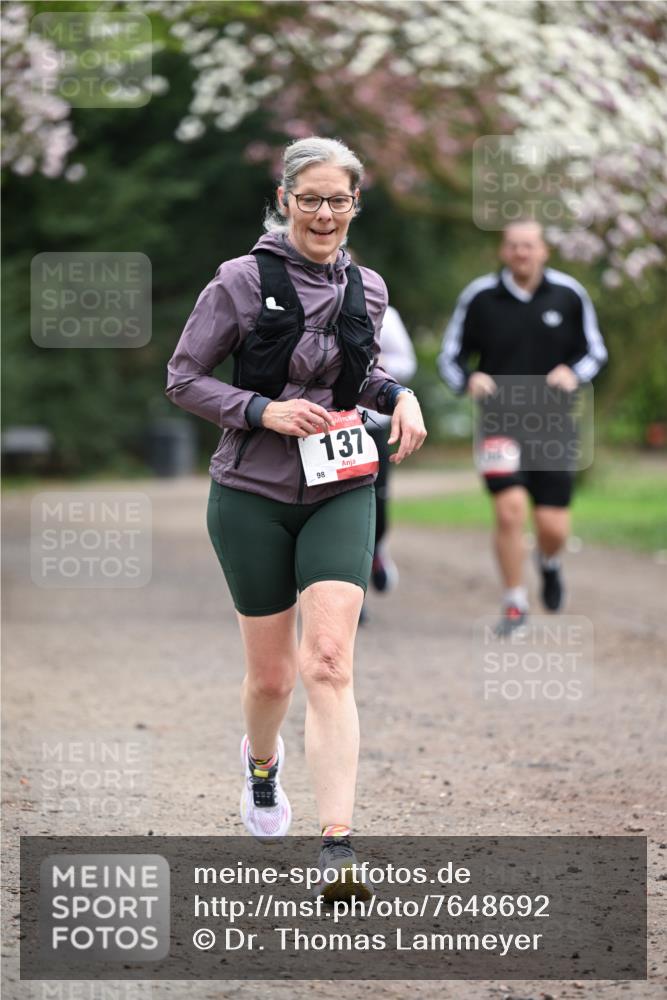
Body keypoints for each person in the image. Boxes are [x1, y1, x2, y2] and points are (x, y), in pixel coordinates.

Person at [166, 136, 426, 898]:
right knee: (272, 676)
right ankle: (260, 765)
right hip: (250, 492)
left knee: (328, 663)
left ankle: (338, 844)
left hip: (342, 486)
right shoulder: (240, 281)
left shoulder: (368, 289)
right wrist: (260, 411)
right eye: (308, 197)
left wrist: (398, 397)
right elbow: (182, 378)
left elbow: (362, 372)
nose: (322, 212)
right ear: (284, 200)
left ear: (354, 205)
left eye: (337, 199)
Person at [437, 220, 607, 635]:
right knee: (509, 512)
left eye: (528, 246)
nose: (521, 253)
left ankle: (549, 562)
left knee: (552, 526)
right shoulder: (480, 297)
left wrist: (573, 372)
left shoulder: (569, 294)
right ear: (503, 251)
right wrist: (468, 380)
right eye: (513, 246)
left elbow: (595, 351)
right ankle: (515, 602)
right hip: (499, 422)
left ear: (544, 250)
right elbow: (450, 356)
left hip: (552, 425)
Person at [361, 304, 417, 598]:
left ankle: (376, 550)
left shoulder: (382, 310)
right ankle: (351, 592)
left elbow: (407, 363)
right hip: (322, 424)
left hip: (372, 422)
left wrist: (374, 366)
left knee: (375, 503)